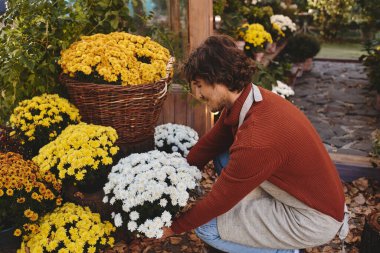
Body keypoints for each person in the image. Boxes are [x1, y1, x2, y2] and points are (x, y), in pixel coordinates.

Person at [161, 35, 348, 253]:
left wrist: (173, 228)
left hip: (311, 219)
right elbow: (210, 144)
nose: (196, 94)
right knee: (223, 156)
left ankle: (284, 250)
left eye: (199, 85)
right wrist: (173, 179)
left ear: (219, 78)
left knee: (205, 228)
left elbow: (219, 200)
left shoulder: (256, 138)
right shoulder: (250, 99)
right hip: (301, 197)